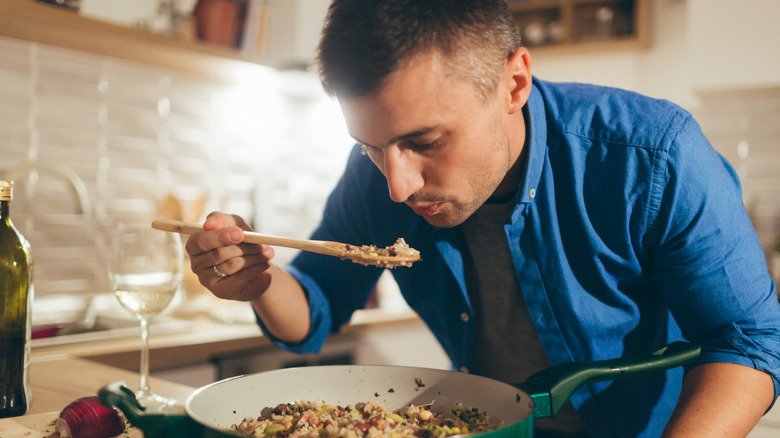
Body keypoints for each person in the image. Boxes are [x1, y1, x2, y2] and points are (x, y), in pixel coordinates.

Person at [184, 1, 780, 436]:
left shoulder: (653, 156)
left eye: (426, 141)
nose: (398, 185)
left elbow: (746, 342)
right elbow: (314, 305)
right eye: (370, 144)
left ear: (513, 82)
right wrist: (259, 284)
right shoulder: (376, 175)